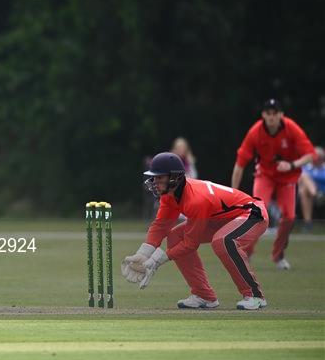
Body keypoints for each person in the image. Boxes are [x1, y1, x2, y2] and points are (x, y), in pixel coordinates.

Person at [122, 152, 269, 310]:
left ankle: (255, 295)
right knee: (176, 236)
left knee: (223, 241)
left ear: (174, 177)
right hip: (221, 218)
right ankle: (204, 295)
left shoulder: (196, 200)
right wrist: (143, 254)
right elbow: (161, 226)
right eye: (154, 177)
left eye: (159, 177)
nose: (154, 182)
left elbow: (191, 244)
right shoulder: (170, 195)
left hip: (252, 214)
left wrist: (157, 261)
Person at [231, 99, 315, 270]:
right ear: (263, 115)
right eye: (268, 113)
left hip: (287, 176)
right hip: (265, 174)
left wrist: (291, 165)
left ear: (281, 115)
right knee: (258, 212)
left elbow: (310, 155)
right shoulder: (256, 131)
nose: (271, 117)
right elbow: (240, 164)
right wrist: (233, 193)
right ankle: (247, 252)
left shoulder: (291, 128)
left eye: (274, 113)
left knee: (289, 217)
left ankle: (278, 255)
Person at [298, 146, 325, 232]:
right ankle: (308, 223)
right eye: (316, 157)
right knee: (304, 181)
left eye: (320, 157)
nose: (318, 159)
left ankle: (316, 194)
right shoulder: (305, 168)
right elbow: (299, 182)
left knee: (304, 185)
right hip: (310, 194)